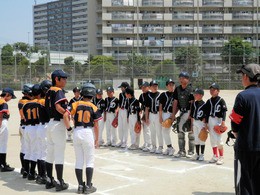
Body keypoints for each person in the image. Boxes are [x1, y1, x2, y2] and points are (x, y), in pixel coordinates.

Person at [65, 83, 102, 194]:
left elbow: (66, 115)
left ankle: (80, 186)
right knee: (90, 161)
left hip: (77, 131)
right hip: (87, 132)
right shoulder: (94, 107)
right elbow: (96, 125)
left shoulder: (75, 104)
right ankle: (88, 186)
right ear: (92, 94)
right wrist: (96, 139)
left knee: (79, 160)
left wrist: (69, 128)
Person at [229, 63, 260, 195]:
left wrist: (235, 133)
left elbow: (235, 123)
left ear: (246, 76)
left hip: (246, 148)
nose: (242, 78)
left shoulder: (243, 96)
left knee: (244, 184)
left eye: (242, 75)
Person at [44, 69, 71, 191]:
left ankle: (49, 180)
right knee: (59, 153)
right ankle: (60, 182)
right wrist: (66, 112)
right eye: (63, 78)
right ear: (56, 79)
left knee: (50, 153)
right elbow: (58, 106)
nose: (65, 80)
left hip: (49, 124)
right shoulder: (58, 90)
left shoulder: (48, 91)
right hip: (58, 124)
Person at [172, 72, 194, 158]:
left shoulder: (191, 89)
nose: (181, 79)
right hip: (181, 112)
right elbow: (175, 102)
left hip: (189, 112)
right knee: (180, 132)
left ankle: (191, 151)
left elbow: (193, 103)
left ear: (187, 79)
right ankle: (182, 151)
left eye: (183, 78)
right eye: (180, 78)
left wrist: (191, 115)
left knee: (191, 132)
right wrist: (173, 114)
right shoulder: (177, 89)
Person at [204, 83, 227, 165]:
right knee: (212, 139)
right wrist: (206, 123)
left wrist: (223, 122)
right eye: (211, 89)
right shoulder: (208, 101)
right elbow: (206, 113)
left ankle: (221, 157)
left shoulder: (221, 100)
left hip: (218, 120)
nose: (212, 91)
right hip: (210, 120)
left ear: (218, 91)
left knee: (218, 140)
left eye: (214, 89)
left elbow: (224, 112)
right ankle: (215, 156)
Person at [18, 84, 34, 174]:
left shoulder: (23, 101)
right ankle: (25, 168)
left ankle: (24, 168)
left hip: (24, 126)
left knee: (24, 147)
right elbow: (23, 115)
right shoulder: (24, 101)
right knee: (27, 148)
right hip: (26, 126)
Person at [0, 87, 16, 172]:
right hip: (2, 123)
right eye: (10, 97)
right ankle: (3, 165)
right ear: (7, 95)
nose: (10, 99)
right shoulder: (4, 103)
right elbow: (1, 115)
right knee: (3, 145)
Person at [145, 80, 163, 154]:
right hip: (151, 114)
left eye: (156, 85)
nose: (155, 87)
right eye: (153, 86)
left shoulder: (160, 95)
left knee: (159, 131)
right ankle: (154, 146)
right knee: (152, 131)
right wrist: (146, 118)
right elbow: (147, 108)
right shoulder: (148, 96)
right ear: (150, 87)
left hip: (158, 114)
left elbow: (161, 107)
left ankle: (160, 146)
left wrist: (160, 117)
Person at [159, 79, 175, 156]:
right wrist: (160, 117)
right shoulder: (163, 94)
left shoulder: (176, 95)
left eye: (172, 85)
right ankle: (169, 148)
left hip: (170, 114)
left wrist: (173, 116)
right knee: (164, 132)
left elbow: (177, 106)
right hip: (164, 114)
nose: (171, 86)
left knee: (166, 131)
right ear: (167, 86)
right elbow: (160, 106)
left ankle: (170, 148)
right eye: (170, 85)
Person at [190, 88, 206, 161]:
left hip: (201, 122)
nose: (195, 95)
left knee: (202, 138)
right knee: (196, 139)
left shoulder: (204, 104)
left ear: (201, 95)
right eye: (195, 94)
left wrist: (204, 126)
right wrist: (192, 125)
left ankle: (202, 154)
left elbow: (206, 116)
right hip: (195, 122)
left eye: (197, 94)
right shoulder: (194, 104)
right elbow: (192, 115)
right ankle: (197, 154)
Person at [138, 81, 151, 152]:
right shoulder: (142, 95)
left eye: (144, 87)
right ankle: (146, 143)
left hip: (149, 113)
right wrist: (140, 110)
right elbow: (142, 104)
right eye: (142, 87)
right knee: (145, 129)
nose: (142, 88)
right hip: (144, 113)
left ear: (148, 87)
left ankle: (149, 144)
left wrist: (147, 115)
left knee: (148, 129)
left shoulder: (150, 94)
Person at [116, 82, 130, 148]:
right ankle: (121, 140)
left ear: (125, 87)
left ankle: (125, 141)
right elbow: (119, 103)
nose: (121, 89)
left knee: (125, 127)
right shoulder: (120, 94)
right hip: (121, 110)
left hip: (126, 110)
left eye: (122, 87)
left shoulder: (129, 94)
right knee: (120, 126)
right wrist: (117, 110)